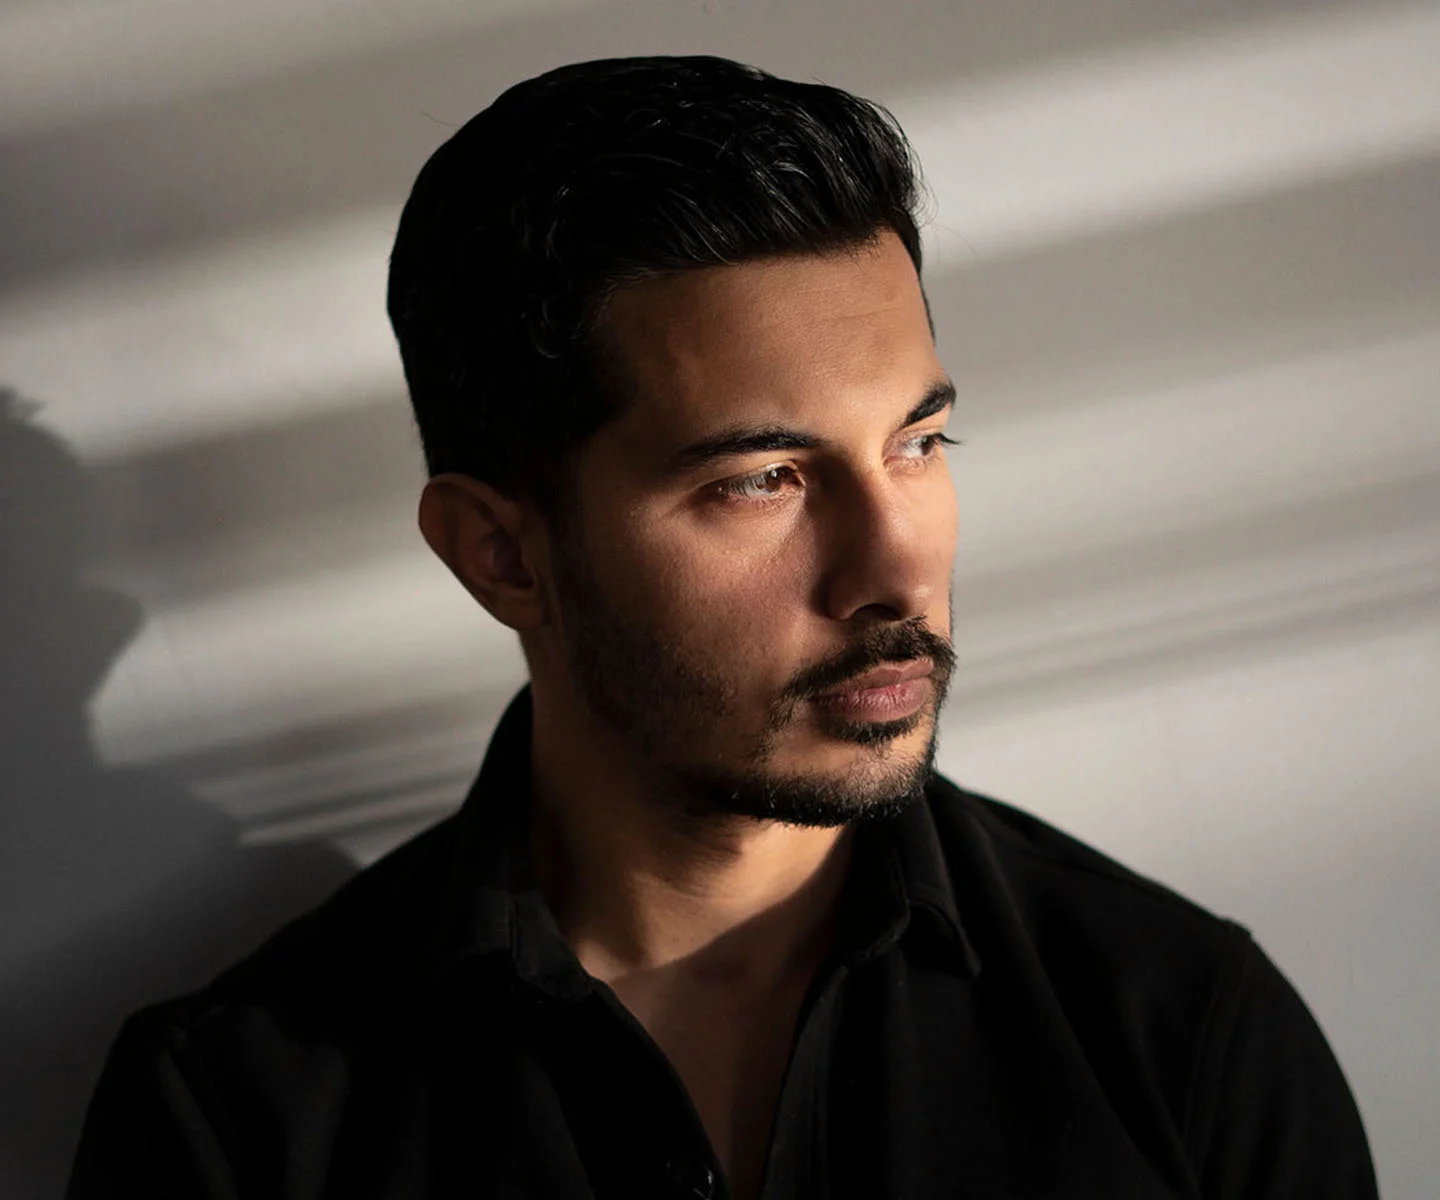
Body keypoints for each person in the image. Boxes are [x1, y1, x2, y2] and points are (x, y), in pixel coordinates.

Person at [67, 55, 1377, 1199]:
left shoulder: (1182, 1032)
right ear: (502, 554)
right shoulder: (238, 1119)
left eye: (919, 444)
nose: (894, 569)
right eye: (765, 479)